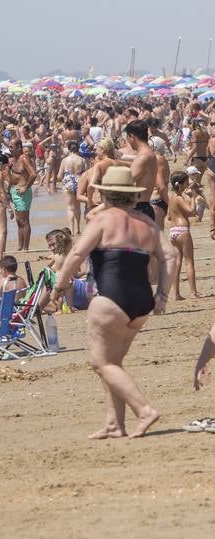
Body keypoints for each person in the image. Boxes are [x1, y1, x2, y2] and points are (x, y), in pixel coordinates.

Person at [52, 167, 175, 439]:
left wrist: (59, 286)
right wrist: (162, 295)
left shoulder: (103, 220)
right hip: (141, 302)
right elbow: (170, 255)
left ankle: (144, 410)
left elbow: (75, 254)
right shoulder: (147, 222)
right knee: (113, 363)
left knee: (101, 363)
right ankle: (114, 424)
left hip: (110, 298)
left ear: (105, 194)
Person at [167, 171, 201, 300]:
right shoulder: (179, 198)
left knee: (177, 263)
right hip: (183, 230)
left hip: (173, 231)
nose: (187, 185)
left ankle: (176, 294)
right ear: (180, 185)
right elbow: (192, 211)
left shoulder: (171, 198)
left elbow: (170, 216)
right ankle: (194, 292)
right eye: (186, 183)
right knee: (189, 262)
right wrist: (192, 197)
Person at [8, 138, 36, 251]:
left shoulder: (24, 158)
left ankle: (25, 247)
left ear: (19, 147)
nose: (10, 149)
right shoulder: (14, 159)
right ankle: (20, 246)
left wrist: (26, 187)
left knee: (24, 220)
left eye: (11, 147)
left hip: (22, 192)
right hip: (15, 191)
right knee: (18, 221)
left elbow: (33, 174)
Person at [58, 141, 86, 235]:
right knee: (78, 207)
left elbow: (59, 175)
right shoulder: (82, 160)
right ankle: (78, 228)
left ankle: (71, 229)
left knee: (70, 207)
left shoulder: (65, 160)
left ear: (69, 149)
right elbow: (86, 173)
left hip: (68, 180)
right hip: (79, 180)